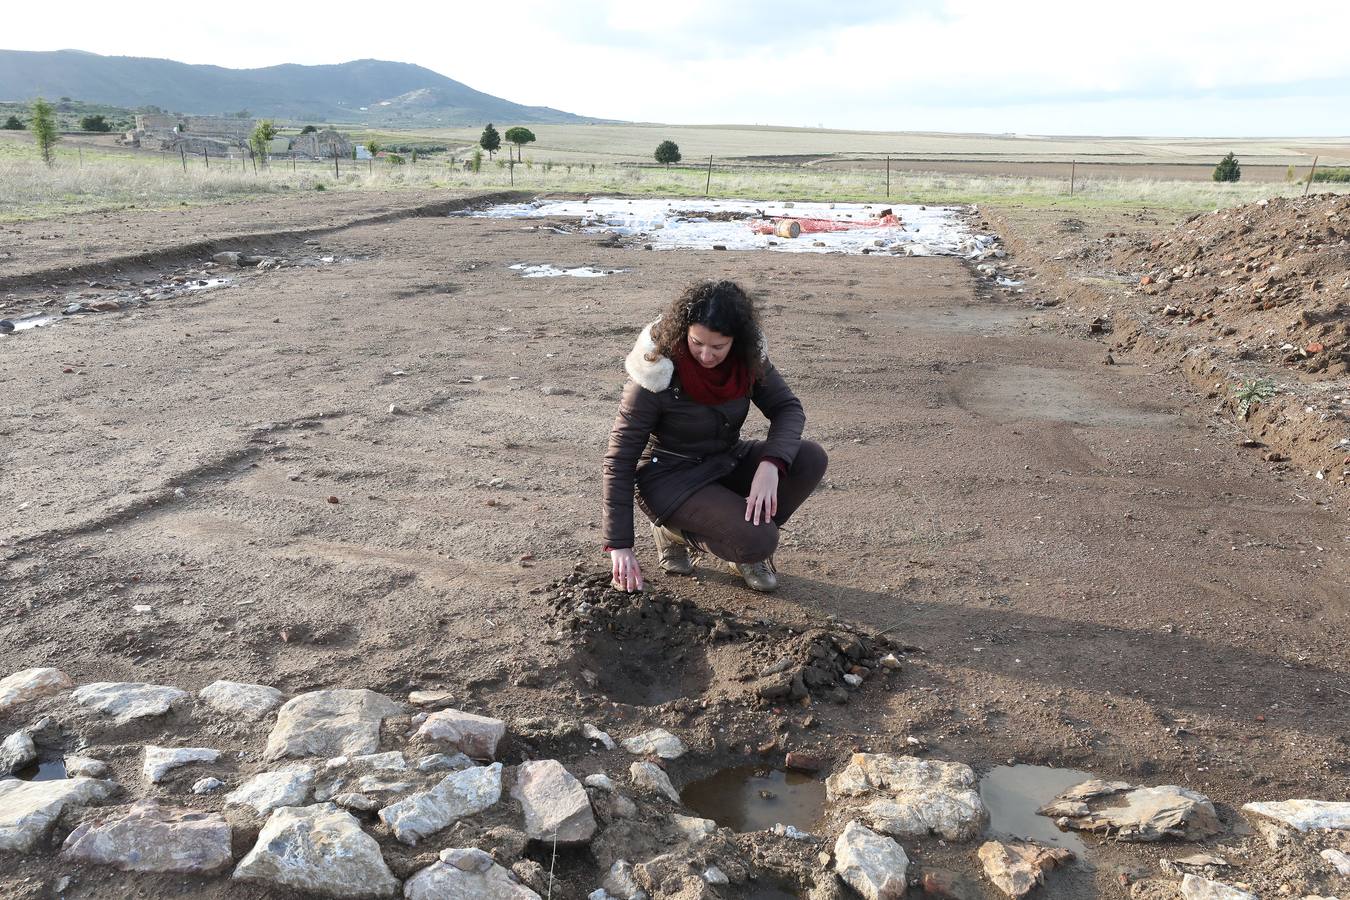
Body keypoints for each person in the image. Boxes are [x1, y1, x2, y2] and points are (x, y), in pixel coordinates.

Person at [603, 279, 828, 593]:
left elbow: (787, 408)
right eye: (697, 343)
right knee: (761, 539)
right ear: (684, 332)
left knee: (809, 458)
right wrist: (619, 545)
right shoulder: (655, 370)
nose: (706, 355)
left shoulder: (747, 361)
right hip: (667, 476)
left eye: (718, 347)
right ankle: (675, 532)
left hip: (724, 460)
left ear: (736, 340)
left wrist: (770, 465)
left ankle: (741, 544)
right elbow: (619, 460)